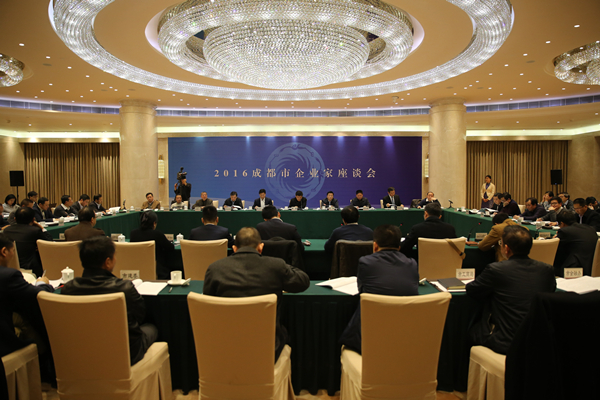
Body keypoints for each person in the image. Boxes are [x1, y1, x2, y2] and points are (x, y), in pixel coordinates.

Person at [203, 227, 309, 362]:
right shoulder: (276, 266)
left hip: (226, 346)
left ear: (234, 248)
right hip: (268, 348)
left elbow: (208, 304)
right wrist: (282, 267)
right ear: (261, 247)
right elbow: (303, 282)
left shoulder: (214, 269)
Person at [62, 236, 158, 365]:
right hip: (126, 353)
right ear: (107, 262)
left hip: (82, 350)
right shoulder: (125, 289)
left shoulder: (68, 289)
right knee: (152, 327)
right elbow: (140, 317)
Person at [466, 226, 556, 355]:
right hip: (540, 341)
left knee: (468, 331)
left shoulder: (496, 269)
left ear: (506, 248)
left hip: (506, 342)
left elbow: (472, 290)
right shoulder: (547, 269)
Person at [339, 224, 418, 354]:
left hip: (369, 339)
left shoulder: (366, 262)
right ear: (399, 247)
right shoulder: (412, 264)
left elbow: (362, 291)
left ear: (375, 246)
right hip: (407, 337)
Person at [0, 233, 54, 378]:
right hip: (4, 341)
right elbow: (37, 295)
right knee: (35, 317)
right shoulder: (9, 276)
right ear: (4, 251)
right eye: (12, 251)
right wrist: (42, 283)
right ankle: (48, 366)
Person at [4, 207, 53, 277]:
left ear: (15, 219)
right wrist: (41, 228)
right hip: (31, 268)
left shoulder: (6, 231)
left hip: (10, 266)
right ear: (33, 219)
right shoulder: (35, 231)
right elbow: (49, 243)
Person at [130, 211, 175, 280]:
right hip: (157, 270)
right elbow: (171, 248)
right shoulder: (157, 234)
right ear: (154, 223)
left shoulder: (133, 234)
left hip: (137, 269)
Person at [553, 210, 598, 277]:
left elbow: (556, 249)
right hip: (592, 266)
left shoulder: (564, 231)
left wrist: (555, 239)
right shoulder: (590, 228)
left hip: (575, 268)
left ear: (562, 223)